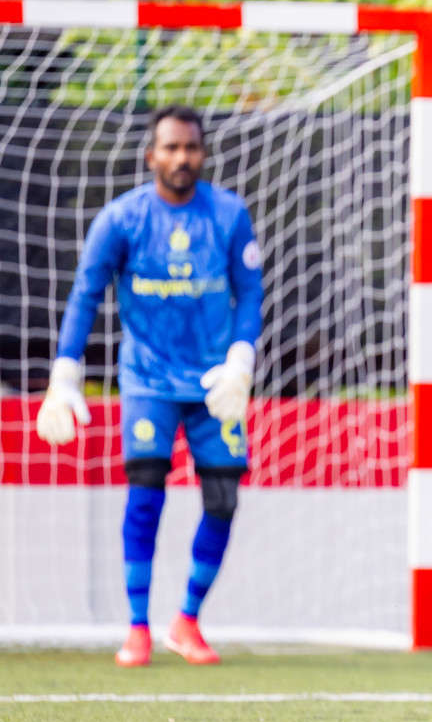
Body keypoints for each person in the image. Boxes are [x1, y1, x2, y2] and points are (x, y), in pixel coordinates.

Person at [34, 105, 262, 667]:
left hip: (215, 382)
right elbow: (86, 293)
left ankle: (187, 621)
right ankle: (137, 627)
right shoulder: (121, 219)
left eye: (191, 147)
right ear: (150, 155)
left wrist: (241, 358)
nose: (182, 157)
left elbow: (250, 291)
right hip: (148, 380)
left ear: (203, 154)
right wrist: (65, 372)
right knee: (145, 497)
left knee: (224, 498)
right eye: (171, 147)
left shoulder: (229, 214)